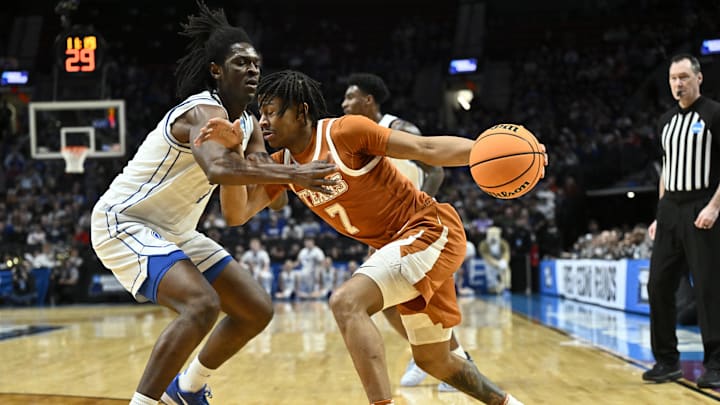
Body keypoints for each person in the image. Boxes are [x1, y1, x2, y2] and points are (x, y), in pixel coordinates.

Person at [198, 70, 546, 405]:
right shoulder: (285, 166)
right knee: (434, 361)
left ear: (301, 111)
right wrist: (232, 156)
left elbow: (424, 148)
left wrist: (485, 152)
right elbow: (236, 214)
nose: (262, 122)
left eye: (272, 111)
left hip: (429, 230)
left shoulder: (345, 132)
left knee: (346, 302)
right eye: (261, 113)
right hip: (403, 249)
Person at [89, 5, 337, 405]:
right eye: (241, 62)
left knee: (255, 308)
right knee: (201, 304)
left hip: (176, 232)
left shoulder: (250, 124)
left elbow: (245, 208)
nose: (253, 69)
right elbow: (220, 170)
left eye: (256, 63)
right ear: (217, 70)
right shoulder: (201, 110)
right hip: (126, 221)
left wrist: (285, 163)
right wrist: (288, 175)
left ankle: (186, 389)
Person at [342, 72, 470, 392]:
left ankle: (452, 358)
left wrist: (420, 206)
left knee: (420, 298)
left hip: (415, 225)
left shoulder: (399, 129)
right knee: (388, 302)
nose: (343, 104)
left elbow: (435, 168)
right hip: (386, 229)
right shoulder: (357, 139)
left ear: (368, 100)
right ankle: (430, 353)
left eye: (349, 97)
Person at [642, 54, 720, 389]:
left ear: (699, 78)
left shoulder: (715, 114)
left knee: (708, 289)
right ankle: (666, 361)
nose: (679, 83)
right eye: (674, 78)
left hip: (703, 204)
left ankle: (715, 363)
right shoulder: (665, 121)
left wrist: (715, 207)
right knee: (658, 285)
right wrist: (661, 213)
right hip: (670, 208)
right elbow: (667, 169)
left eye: (685, 77)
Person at [478, 227, 512, 294]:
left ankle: (506, 287)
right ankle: (492, 288)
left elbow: (506, 253)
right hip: (489, 263)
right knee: (490, 275)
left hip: (500, 260)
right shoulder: (483, 244)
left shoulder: (503, 243)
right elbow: (486, 256)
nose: (493, 237)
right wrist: (496, 263)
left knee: (506, 269)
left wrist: (504, 261)